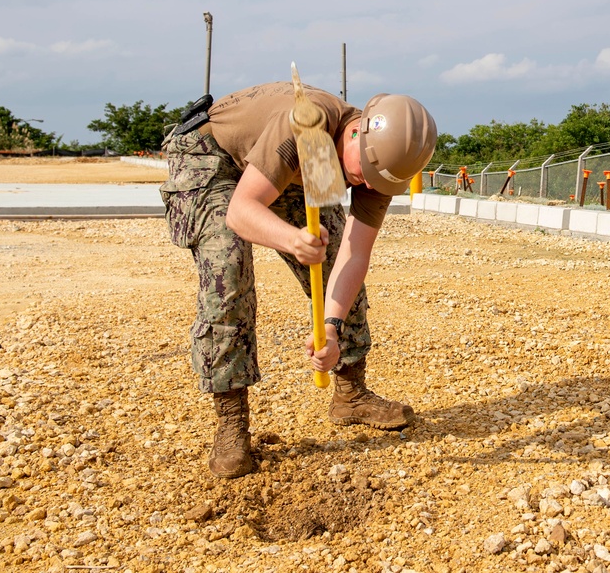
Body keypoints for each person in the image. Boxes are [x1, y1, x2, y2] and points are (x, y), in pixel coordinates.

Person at [160, 81, 437, 478]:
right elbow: (241, 212)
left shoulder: (383, 165)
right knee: (228, 279)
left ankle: (350, 395)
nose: (368, 186)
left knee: (337, 271)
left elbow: (355, 255)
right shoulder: (307, 124)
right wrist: (293, 239)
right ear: (357, 132)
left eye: (381, 182)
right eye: (366, 173)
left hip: (310, 161)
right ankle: (231, 423)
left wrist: (332, 328)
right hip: (212, 157)